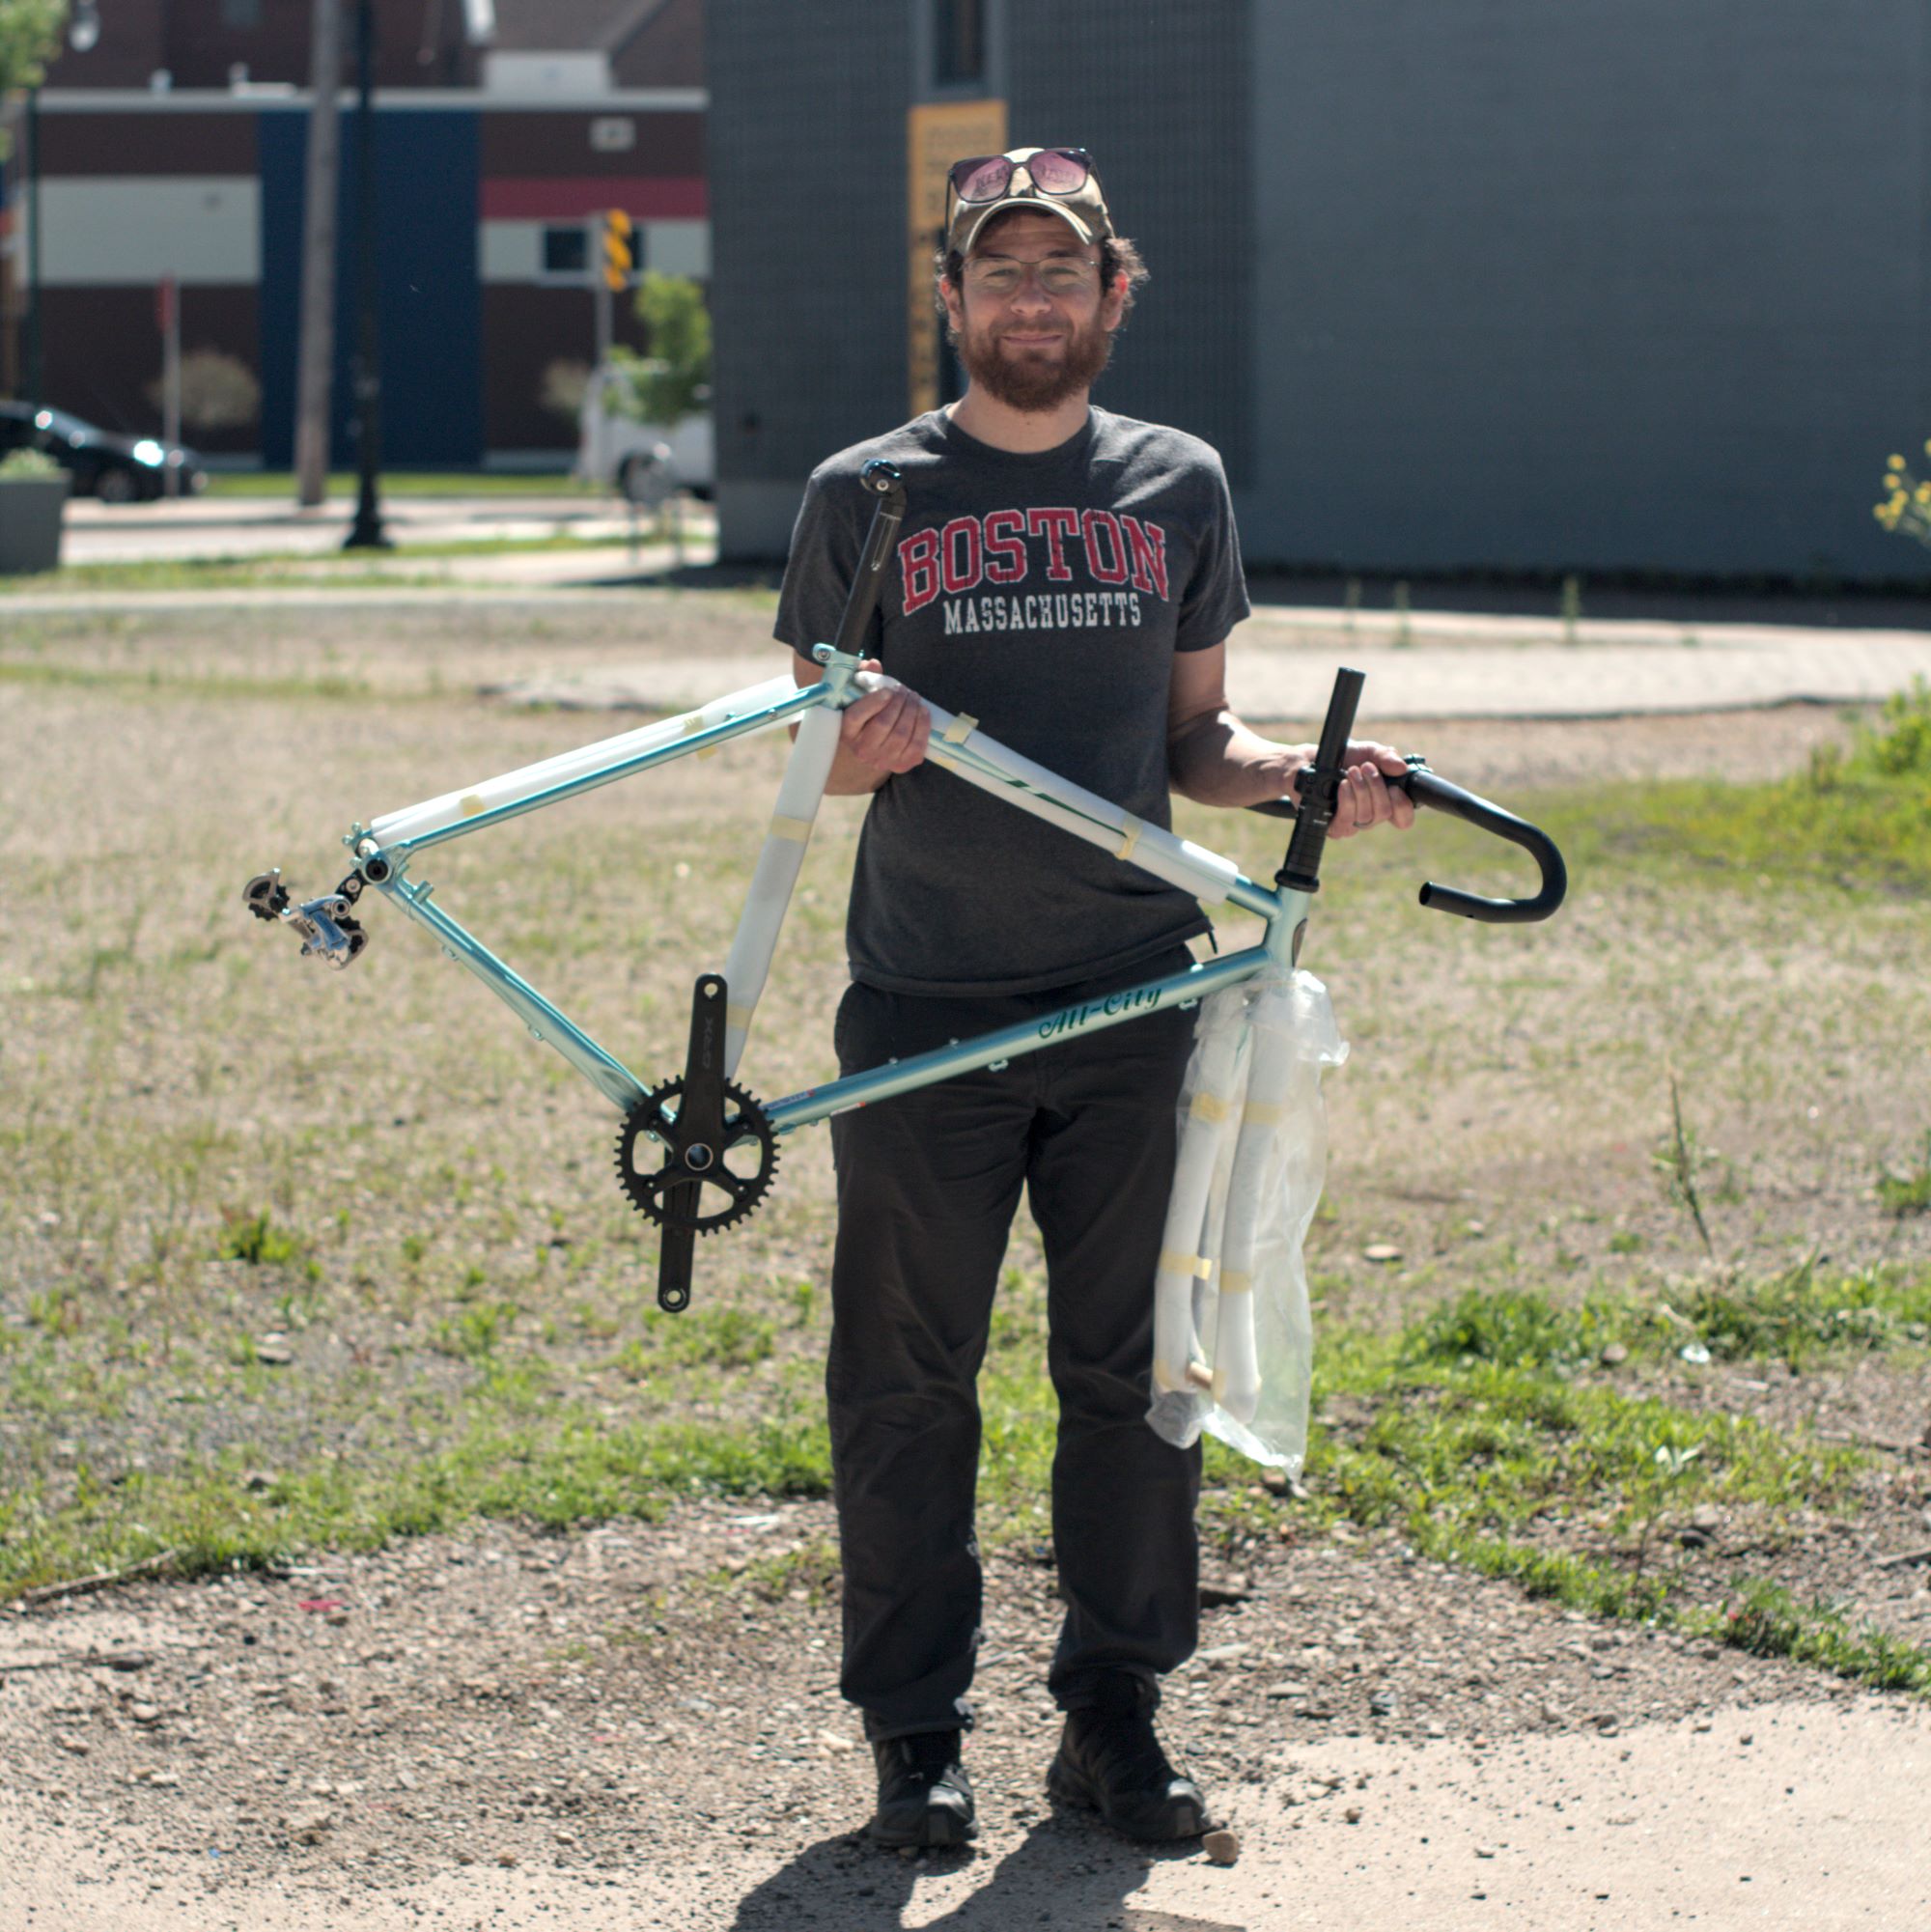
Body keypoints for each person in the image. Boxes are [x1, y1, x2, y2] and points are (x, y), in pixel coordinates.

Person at [773, 146, 1413, 1850]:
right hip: (925, 1009)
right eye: (1002, 271)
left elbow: (1199, 738)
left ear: (1114, 294)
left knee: (1139, 1372)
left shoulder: (1177, 485)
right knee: (905, 1380)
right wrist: (856, 745)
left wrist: (1299, 774)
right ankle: (914, 1733)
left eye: (1064, 272)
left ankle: (1114, 1719)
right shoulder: (867, 494)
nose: (1033, 300)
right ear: (952, 297)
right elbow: (809, 766)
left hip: (1136, 999)